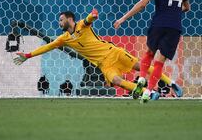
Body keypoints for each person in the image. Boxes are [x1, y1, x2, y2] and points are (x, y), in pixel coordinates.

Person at [14, 10, 182, 100]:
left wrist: (93, 16)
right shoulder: (63, 39)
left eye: (61, 20)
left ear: (70, 20)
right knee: (117, 82)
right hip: (104, 65)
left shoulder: (81, 25)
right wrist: (27, 55)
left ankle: (171, 83)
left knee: (142, 66)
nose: (59, 23)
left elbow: (88, 20)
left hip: (113, 52)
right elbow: (47, 47)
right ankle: (150, 93)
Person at [114, 0, 190, 103]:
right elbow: (187, 7)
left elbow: (143, 4)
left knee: (149, 53)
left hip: (159, 23)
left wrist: (123, 18)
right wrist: (174, 10)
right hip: (174, 26)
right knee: (160, 62)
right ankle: (148, 92)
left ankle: (141, 78)